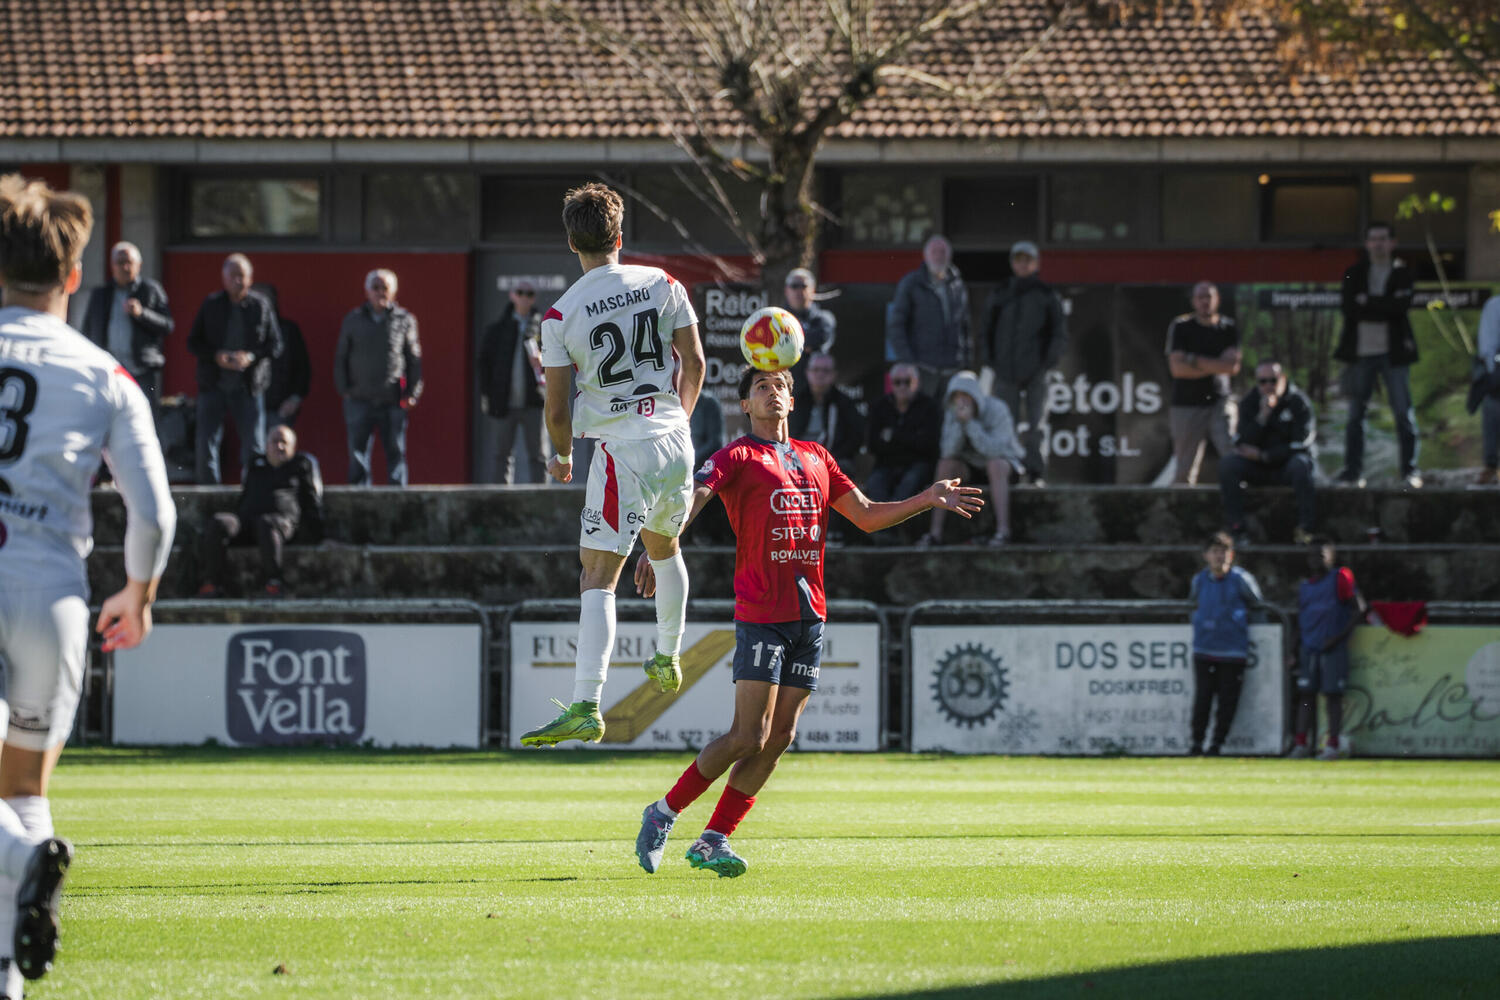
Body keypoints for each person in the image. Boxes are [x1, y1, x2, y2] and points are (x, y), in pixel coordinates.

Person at [630, 366, 982, 877]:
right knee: (748, 735)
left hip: (809, 616)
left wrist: (927, 498)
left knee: (780, 737)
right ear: (745, 406)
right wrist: (661, 546)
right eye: (760, 388)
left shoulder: (817, 456)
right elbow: (696, 496)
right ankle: (663, 812)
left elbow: (866, 515)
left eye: (780, 387)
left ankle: (714, 839)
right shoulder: (736, 455)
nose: (772, 393)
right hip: (762, 614)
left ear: (792, 402)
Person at [0, 174, 175, 993]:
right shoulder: (106, 375)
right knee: (22, 788)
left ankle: (25, 858)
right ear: (73, 277)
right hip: (53, 597)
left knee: (15, 824)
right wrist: (138, 594)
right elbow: (155, 514)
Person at [518, 183, 706, 748]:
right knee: (664, 549)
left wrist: (562, 456)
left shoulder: (560, 314)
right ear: (621, 236)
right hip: (675, 439)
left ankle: (586, 704)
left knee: (597, 577)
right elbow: (695, 363)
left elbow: (556, 408)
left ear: (571, 243)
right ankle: (668, 655)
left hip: (621, 448)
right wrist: (677, 422)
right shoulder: (663, 282)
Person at [1336, 221, 1420, 489]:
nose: (1378, 244)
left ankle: (1409, 471)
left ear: (1393, 243)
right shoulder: (1353, 273)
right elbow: (1349, 308)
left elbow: (1400, 307)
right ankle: (1352, 473)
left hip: (1394, 354)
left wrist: (1368, 302)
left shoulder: (1403, 273)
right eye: (1373, 239)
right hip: (1360, 354)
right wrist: (1384, 305)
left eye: (1383, 238)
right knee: (1355, 417)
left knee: (1403, 414)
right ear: (1366, 243)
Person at [195, 424, 324, 599]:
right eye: (274, 441)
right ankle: (212, 584)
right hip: (248, 522)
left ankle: (274, 583)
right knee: (220, 522)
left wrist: (319, 536)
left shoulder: (301, 464)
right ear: (266, 444)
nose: (279, 446)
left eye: (284, 442)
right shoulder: (255, 464)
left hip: (281, 523)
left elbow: (312, 501)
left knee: (266, 523)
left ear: (293, 447)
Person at [185, 253, 281, 484]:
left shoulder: (261, 305)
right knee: (206, 442)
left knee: (254, 444)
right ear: (224, 278)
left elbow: (275, 345)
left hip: (249, 386)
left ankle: (254, 490)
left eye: (242, 275)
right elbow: (193, 343)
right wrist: (216, 356)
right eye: (233, 275)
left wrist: (251, 357)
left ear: (250, 278)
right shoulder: (211, 304)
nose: (238, 280)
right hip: (213, 383)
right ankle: (209, 493)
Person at [982, 240, 1066, 484]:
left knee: (1036, 425)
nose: (1023, 264)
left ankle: (1035, 472)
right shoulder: (1000, 292)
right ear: (1012, 263)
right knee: (1005, 425)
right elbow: (986, 328)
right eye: (1018, 260)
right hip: (1005, 371)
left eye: (1028, 260)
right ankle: (1010, 472)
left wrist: (1046, 364)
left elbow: (1059, 332)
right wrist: (991, 361)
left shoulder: (1046, 294)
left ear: (1036, 264)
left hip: (1036, 372)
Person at [334, 269, 423, 486]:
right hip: (359, 398)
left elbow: (414, 359)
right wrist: (344, 389)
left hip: (392, 398)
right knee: (357, 453)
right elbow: (341, 356)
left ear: (394, 292)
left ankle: (397, 496)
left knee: (396, 452)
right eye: (375, 287)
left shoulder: (404, 319)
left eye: (385, 288)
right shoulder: (353, 319)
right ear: (367, 291)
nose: (380, 292)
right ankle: (359, 496)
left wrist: (412, 392)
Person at [920, 370, 1023, 547]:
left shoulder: (998, 409)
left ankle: (1003, 532)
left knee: (996, 465)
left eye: (966, 395)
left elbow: (995, 450)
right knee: (945, 465)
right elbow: (948, 451)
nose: (961, 401)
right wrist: (961, 425)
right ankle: (935, 534)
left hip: (1002, 466)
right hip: (969, 468)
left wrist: (970, 424)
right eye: (957, 396)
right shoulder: (952, 412)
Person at [1218, 361, 1317, 545]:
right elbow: (1242, 442)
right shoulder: (1249, 402)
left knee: (1302, 464)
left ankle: (1306, 529)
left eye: (1273, 380)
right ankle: (1237, 529)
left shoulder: (1298, 402)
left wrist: (1265, 455)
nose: (1268, 386)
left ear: (1283, 379)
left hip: (1287, 467)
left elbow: (1301, 444)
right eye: (1263, 381)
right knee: (1228, 464)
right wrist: (1262, 417)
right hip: (1258, 468)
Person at [1288, 537, 1367, 761]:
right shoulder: (1305, 586)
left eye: (1321, 555)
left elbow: (1359, 609)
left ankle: (1332, 744)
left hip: (1333, 649)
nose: (1316, 560)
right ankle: (1301, 743)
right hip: (1309, 648)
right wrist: (1292, 650)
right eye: (1312, 556)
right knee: (1306, 696)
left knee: (1333, 696)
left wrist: (1337, 638)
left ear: (1331, 557)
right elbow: (1300, 621)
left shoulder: (1341, 577)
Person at [1187, 532, 1264, 756]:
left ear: (1231, 555)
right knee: (1203, 698)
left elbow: (1259, 608)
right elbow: (1192, 607)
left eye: (1223, 551)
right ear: (1206, 555)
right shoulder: (1199, 580)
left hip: (1233, 651)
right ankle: (1196, 743)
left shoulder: (1241, 579)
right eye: (1214, 551)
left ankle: (1216, 744)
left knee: (1227, 701)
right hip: (1204, 649)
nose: (1219, 556)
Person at [79, 241, 172, 415]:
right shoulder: (101, 294)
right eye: (120, 262)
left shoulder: (150, 290)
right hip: (108, 371)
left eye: (129, 262)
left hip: (141, 371)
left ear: (139, 265)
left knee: (144, 417)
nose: (125, 267)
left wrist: (142, 314)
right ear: (112, 266)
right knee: (105, 418)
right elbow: (87, 330)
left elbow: (167, 325)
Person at [1166, 281, 1240, 485]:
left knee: (1232, 456)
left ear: (1217, 300)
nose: (1205, 301)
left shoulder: (1228, 328)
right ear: (1193, 301)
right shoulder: (1181, 327)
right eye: (1200, 297)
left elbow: (1232, 367)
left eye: (1209, 296)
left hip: (1220, 401)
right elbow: (1177, 369)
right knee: (1184, 468)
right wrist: (1216, 364)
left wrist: (1193, 360)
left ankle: (1238, 500)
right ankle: (1183, 504)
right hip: (1186, 404)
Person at [478, 282, 547, 483]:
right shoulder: (497, 329)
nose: (524, 297)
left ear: (534, 298)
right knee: (502, 455)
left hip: (535, 402)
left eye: (529, 293)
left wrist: (543, 360)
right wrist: (488, 395)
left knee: (539, 455)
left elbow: (560, 363)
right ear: (512, 296)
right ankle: (501, 499)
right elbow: (484, 365)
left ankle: (542, 497)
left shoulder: (544, 329)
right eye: (520, 292)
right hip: (504, 403)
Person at [886, 235, 970, 398]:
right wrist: (908, 362)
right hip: (922, 369)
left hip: (952, 369)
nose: (938, 256)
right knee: (923, 412)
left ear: (949, 255)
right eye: (934, 252)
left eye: (942, 252)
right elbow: (896, 325)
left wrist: (966, 363)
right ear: (925, 256)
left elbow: (965, 326)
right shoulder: (911, 284)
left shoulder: (958, 285)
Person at [864, 363, 942, 504]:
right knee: (874, 483)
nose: (902, 386)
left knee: (909, 484)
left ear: (917, 383)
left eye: (907, 382)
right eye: (897, 382)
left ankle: (893, 518)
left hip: (918, 465)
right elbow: (873, 445)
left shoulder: (929, 406)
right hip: (886, 465)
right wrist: (911, 438)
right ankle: (885, 518)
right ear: (891, 384)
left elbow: (929, 444)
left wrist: (893, 436)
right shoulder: (881, 406)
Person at [787, 352, 864, 472]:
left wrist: (830, 458)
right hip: (797, 456)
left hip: (834, 459)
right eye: (816, 370)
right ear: (807, 372)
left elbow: (856, 438)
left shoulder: (844, 403)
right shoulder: (795, 401)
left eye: (825, 371)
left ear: (834, 374)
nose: (820, 374)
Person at [257, 284, 310, 430]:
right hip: (250, 407)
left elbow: (302, 367)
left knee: (278, 440)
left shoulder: (288, 331)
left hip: (280, 407)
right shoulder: (243, 333)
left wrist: (295, 398)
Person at [781, 267, 835, 397]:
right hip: (784, 391)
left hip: (815, 393)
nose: (799, 291)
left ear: (813, 290)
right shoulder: (777, 320)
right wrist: (803, 346)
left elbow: (820, 337)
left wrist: (786, 343)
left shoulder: (824, 318)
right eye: (794, 286)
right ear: (786, 290)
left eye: (803, 286)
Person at [1476, 294, 1500, 487]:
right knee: (1492, 410)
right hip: (1497, 373)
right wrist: (1492, 372)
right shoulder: (1495, 305)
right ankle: (1491, 466)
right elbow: (1487, 345)